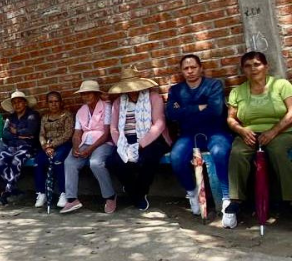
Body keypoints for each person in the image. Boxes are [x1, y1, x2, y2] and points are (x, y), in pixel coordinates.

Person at [224, 51, 292, 228]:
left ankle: (289, 199)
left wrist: (274, 131)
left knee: (277, 151)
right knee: (238, 153)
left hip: (281, 131)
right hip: (249, 132)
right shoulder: (237, 91)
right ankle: (236, 200)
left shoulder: (281, 85)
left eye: (257, 64)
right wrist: (241, 129)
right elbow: (230, 118)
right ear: (243, 70)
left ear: (266, 66)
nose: (253, 69)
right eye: (247, 66)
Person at [166, 54, 232, 215]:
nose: (190, 71)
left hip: (215, 131)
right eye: (186, 68)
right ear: (181, 71)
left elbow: (215, 111)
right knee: (176, 157)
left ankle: (226, 197)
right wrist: (199, 107)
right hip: (189, 134)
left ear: (201, 68)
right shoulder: (176, 90)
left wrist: (184, 110)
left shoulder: (214, 85)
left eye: (193, 67)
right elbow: (171, 114)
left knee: (219, 152)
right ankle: (192, 193)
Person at [106, 66, 172, 211]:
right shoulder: (118, 103)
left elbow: (159, 124)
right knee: (113, 161)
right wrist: (121, 145)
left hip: (152, 138)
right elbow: (114, 128)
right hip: (126, 139)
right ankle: (132, 189)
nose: (131, 90)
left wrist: (139, 145)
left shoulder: (153, 98)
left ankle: (140, 192)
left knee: (149, 158)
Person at [60, 80, 117, 214]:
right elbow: (77, 134)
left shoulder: (107, 107)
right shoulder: (81, 111)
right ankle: (72, 199)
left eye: (88, 94)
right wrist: (75, 147)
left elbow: (107, 134)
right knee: (70, 162)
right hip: (85, 142)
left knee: (96, 163)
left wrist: (89, 150)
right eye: (83, 94)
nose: (85, 97)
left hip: (103, 142)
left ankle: (110, 196)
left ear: (96, 94)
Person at [0, 90, 41, 200]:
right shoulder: (10, 118)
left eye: (20, 102)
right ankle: (12, 187)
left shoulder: (32, 115)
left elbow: (31, 131)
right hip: (12, 147)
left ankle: (8, 189)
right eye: (14, 103)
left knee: (16, 161)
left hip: (27, 146)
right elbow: (5, 134)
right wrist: (20, 135)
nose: (17, 105)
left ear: (25, 103)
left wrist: (16, 132)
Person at [34, 91, 74, 208]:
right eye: (51, 102)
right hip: (47, 147)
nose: (54, 104)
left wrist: (52, 145)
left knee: (58, 160)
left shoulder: (67, 115)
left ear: (61, 102)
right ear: (47, 104)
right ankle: (41, 193)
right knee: (38, 161)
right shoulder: (45, 117)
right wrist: (45, 146)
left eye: (56, 101)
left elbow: (68, 133)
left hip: (63, 144)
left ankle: (63, 192)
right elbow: (41, 134)